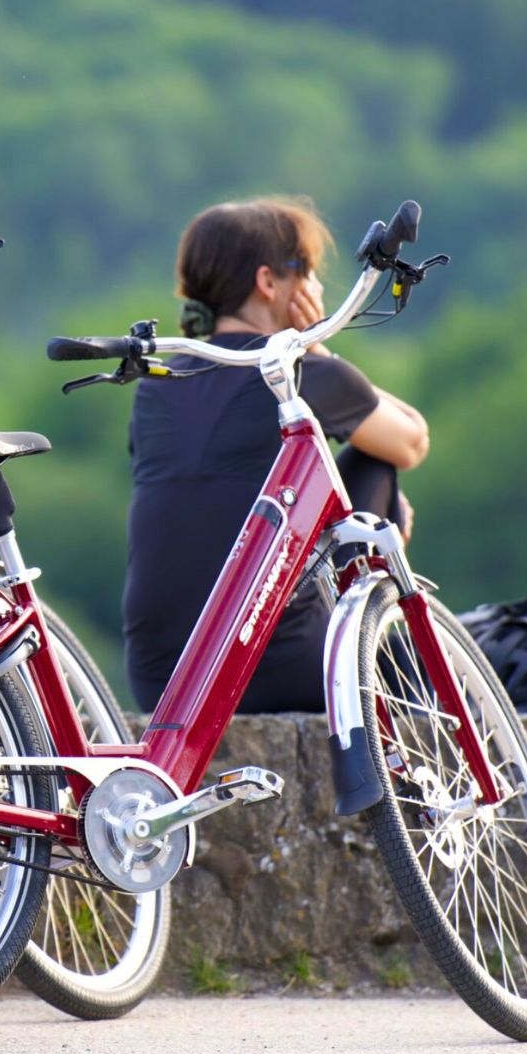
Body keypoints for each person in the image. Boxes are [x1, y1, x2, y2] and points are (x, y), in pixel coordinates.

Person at [125, 197, 430, 713]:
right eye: (307, 272)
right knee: (374, 459)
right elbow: (412, 440)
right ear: (269, 283)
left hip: (159, 678)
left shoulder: (161, 383)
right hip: (279, 668)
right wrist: (318, 350)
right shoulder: (298, 373)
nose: (317, 289)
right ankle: (369, 628)